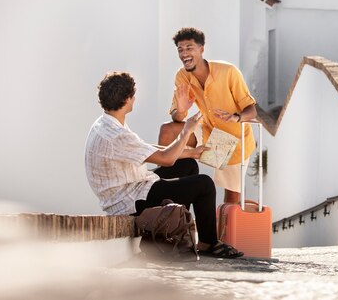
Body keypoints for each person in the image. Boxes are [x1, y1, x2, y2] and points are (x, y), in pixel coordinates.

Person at [85, 71, 243, 258]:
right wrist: (186, 132)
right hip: (130, 202)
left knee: (188, 165)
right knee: (204, 184)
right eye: (133, 96)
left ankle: (173, 224)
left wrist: (191, 152)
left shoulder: (106, 123)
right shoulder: (116, 135)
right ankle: (208, 242)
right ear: (128, 99)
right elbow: (166, 158)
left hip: (132, 185)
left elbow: (145, 148)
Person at [158, 27, 257, 204]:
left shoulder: (228, 72)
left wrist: (236, 117)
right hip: (207, 131)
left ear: (201, 49)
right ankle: (165, 194)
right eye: (180, 49)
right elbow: (177, 117)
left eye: (189, 48)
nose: (184, 54)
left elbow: (252, 110)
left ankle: (224, 231)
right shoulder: (182, 76)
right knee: (167, 131)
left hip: (234, 143)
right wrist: (181, 110)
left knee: (231, 200)